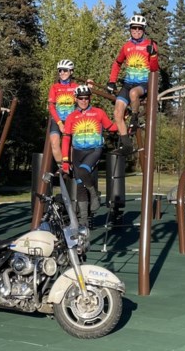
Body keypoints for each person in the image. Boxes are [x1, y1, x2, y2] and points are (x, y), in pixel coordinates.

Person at [60, 84, 119, 227]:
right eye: (81, 98)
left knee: (83, 171)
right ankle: (83, 220)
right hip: (77, 152)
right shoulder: (71, 116)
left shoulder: (99, 113)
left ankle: (94, 195)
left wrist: (123, 124)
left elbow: (111, 127)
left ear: (90, 98)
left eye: (86, 98)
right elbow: (66, 138)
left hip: (94, 150)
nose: (84, 101)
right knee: (80, 185)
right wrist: (65, 160)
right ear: (76, 99)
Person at [106, 14, 159, 154]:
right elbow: (117, 63)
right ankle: (126, 144)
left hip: (144, 83)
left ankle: (134, 118)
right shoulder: (126, 47)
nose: (136, 31)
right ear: (130, 29)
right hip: (128, 83)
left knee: (134, 93)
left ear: (143, 30)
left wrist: (153, 56)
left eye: (139, 28)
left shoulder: (150, 44)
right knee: (117, 113)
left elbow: (154, 69)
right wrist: (112, 80)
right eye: (134, 28)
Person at [47, 59, 79, 167]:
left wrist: (89, 88)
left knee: (71, 145)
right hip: (57, 120)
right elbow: (51, 107)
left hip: (71, 120)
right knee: (55, 143)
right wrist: (60, 123)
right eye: (60, 70)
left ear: (71, 72)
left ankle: (71, 166)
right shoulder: (54, 87)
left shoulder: (76, 87)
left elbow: (83, 102)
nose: (62, 73)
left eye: (65, 70)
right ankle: (61, 167)